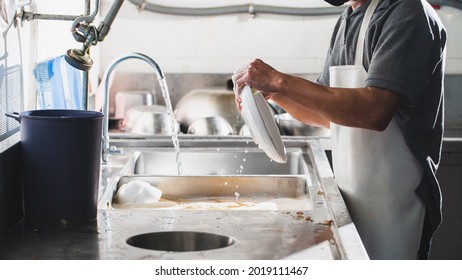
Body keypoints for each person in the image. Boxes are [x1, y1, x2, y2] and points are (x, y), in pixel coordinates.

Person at [233, 0, 446, 260]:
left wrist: (280, 80)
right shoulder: (349, 17)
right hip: (352, 198)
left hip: (397, 203)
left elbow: (375, 112)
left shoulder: (407, 13)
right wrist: (274, 93)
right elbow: (323, 115)